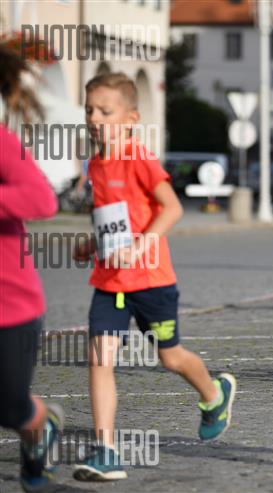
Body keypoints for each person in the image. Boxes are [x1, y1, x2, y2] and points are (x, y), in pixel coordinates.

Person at [72, 73, 236, 481]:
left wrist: (142, 245)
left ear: (131, 118)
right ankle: (106, 451)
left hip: (151, 282)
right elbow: (114, 220)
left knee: (171, 357)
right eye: (89, 110)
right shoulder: (96, 163)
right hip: (109, 282)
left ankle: (215, 394)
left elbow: (172, 208)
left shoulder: (138, 157)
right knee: (100, 360)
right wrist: (93, 245)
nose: (94, 118)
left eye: (105, 111)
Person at [0, 44, 64, 493]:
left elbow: (43, 200)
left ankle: (41, 424)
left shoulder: (2, 143)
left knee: (9, 408)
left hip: (11, 306)